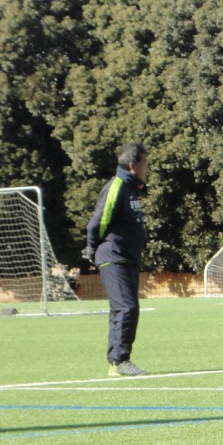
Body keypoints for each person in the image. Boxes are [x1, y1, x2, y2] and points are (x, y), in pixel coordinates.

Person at [86, 142, 150, 377]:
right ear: (133, 165)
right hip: (114, 256)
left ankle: (117, 361)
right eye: (145, 163)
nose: (147, 168)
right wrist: (92, 247)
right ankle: (120, 361)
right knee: (126, 307)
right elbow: (98, 221)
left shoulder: (132, 188)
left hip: (127, 257)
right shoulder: (117, 186)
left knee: (123, 309)